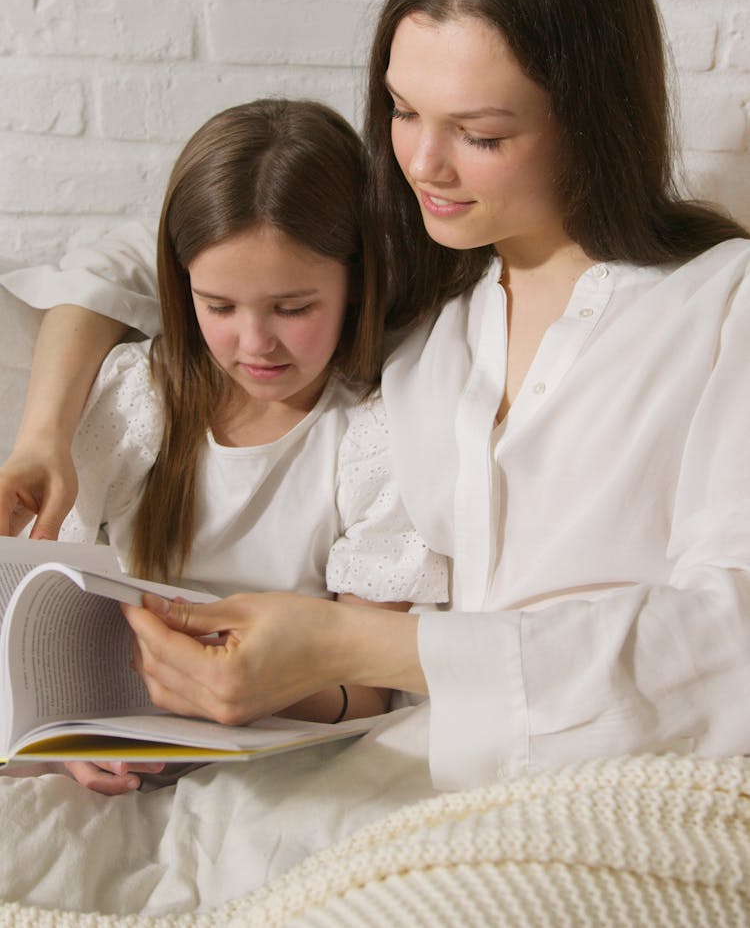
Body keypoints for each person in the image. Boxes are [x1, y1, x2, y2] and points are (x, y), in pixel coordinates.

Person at [1, 0, 749, 909]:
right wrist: (45, 434)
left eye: (478, 133)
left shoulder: (718, 305)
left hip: (622, 784)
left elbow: (728, 635)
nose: (424, 165)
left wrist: (364, 645)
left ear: (591, 118)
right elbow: (150, 256)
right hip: (397, 781)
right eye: (402, 111)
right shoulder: (429, 310)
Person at [6, 98, 446, 796]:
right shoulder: (137, 398)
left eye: (293, 308)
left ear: (355, 279)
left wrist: (253, 688)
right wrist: (72, 734)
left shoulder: (374, 437)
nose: (255, 343)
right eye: (219, 306)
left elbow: (362, 690)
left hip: (278, 763)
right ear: (184, 290)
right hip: (121, 749)